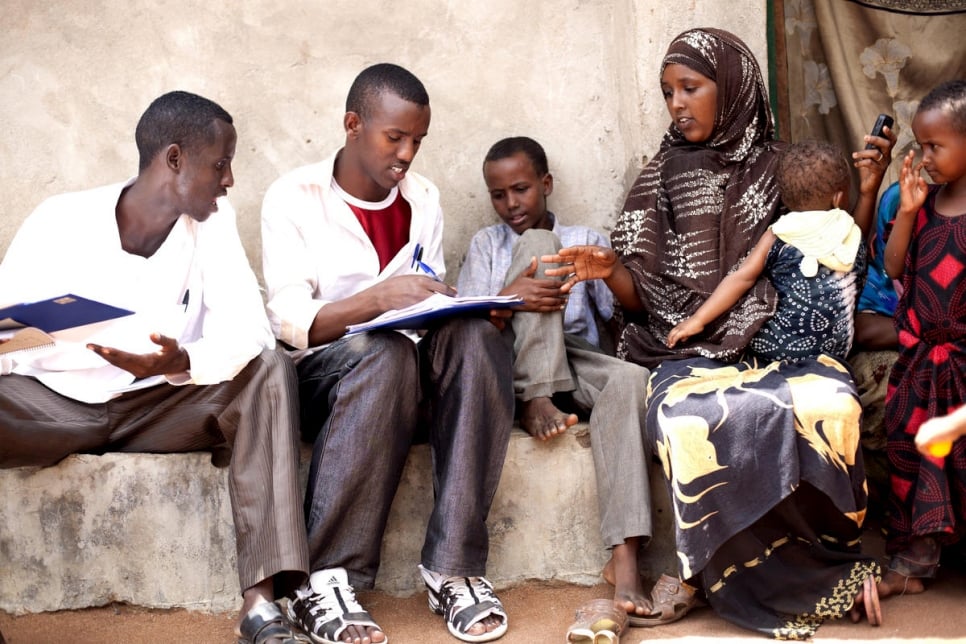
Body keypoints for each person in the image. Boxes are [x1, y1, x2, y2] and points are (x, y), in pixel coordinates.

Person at [541, 28, 895, 639]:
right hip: (684, 347)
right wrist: (614, 271)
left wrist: (866, 191)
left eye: (690, 87)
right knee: (692, 417)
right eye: (667, 92)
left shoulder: (783, 166)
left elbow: (837, 246)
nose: (677, 103)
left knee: (831, 403)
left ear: (733, 87)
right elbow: (644, 295)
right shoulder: (660, 177)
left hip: (778, 342)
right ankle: (732, 574)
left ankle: (825, 568)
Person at [0, 91, 311, 644]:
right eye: (220, 163)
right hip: (54, 403)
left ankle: (260, 605)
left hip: (159, 405)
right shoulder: (60, 219)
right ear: (174, 159)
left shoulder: (211, 223)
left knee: (267, 371)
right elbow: (6, 338)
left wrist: (183, 359)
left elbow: (252, 329)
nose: (230, 179)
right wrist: (64, 341)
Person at [261, 63, 514, 644]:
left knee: (477, 338)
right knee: (384, 353)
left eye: (417, 140)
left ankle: (453, 566)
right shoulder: (293, 198)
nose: (407, 154)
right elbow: (294, 324)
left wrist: (453, 308)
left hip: (405, 371)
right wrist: (376, 302)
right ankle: (322, 578)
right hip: (327, 378)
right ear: (353, 125)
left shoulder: (422, 198)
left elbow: (426, 296)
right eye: (394, 137)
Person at [456, 136, 653, 627]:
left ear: (545, 184)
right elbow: (469, 329)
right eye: (498, 195)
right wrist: (513, 294)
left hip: (576, 361)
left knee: (630, 381)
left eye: (520, 189)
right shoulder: (486, 244)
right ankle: (533, 394)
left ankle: (624, 557)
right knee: (541, 246)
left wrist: (608, 273)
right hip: (510, 363)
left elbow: (625, 312)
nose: (511, 204)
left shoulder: (586, 237)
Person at [879, 79, 966, 599]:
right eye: (921, 145)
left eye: (935, 146)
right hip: (920, 361)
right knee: (910, 448)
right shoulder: (924, 204)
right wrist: (908, 212)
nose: (924, 157)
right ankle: (916, 557)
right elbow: (893, 266)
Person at [667, 139, 868, 361]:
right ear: (839, 197)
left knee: (755, 299)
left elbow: (741, 278)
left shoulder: (778, 233)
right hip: (837, 351)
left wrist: (698, 319)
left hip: (779, 352)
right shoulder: (851, 231)